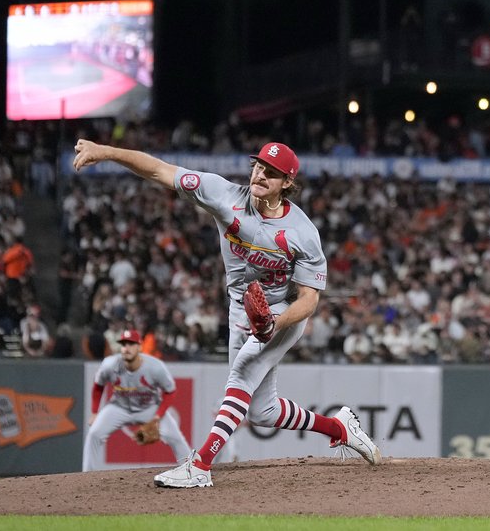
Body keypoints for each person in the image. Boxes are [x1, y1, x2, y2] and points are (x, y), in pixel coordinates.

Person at [73, 138, 381, 488]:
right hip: (242, 311)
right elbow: (160, 170)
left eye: (272, 173)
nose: (261, 175)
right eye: (259, 166)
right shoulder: (222, 194)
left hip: (283, 312)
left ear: (287, 184)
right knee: (262, 411)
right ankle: (340, 427)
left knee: (241, 375)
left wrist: (274, 324)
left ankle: (200, 465)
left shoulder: (303, 233)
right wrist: (107, 152)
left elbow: (309, 299)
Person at [84, 328, 192, 472]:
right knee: (94, 434)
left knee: (175, 437)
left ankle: (191, 471)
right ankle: (86, 476)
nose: (126, 348)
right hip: (119, 407)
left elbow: (170, 392)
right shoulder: (109, 364)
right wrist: (94, 412)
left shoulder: (155, 367)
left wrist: (158, 416)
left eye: (131, 344)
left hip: (149, 407)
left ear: (139, 347)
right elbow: (98, 386)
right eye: (124, 344)